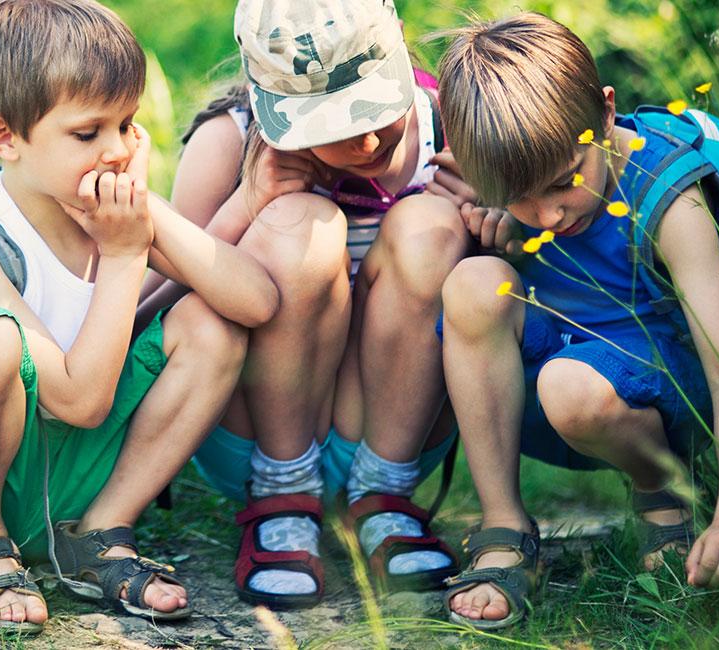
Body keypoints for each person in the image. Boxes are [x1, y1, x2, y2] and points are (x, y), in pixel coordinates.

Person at [0, 0, 279, 634]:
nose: (118, 151)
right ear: (4, 136)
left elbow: (256, 302)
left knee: (213, 327)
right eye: (88, 132)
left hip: (77, 475)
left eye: (128, 125)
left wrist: (147, 223)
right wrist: (126, 255)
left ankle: (99, 533)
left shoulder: (114, 207)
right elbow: (78, 401)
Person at [160, 0, 515, 607]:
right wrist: (248, 204)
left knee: (430, 224)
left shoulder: (451, 125)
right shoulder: (229, 139)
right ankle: (280, 494)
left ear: (400, 45)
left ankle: (385, 496)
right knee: (303, 222)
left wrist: (500, 222)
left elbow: (514, 291)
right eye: (332, 126)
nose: (369, 139)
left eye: (374, 107)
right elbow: (161, 308)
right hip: (252, 439)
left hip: (388, 430)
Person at [432, 12, 719, 630]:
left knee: (569, 386)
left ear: (606, 111)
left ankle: (662, 488)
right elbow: (525, 229)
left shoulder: (667, 197)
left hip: (667, 396)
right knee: (472, 283)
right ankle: (505, 525)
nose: (549, 214)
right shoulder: (524, 180)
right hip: (563, 374)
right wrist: (500, 231)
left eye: (565, 183)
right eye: (521, 197)